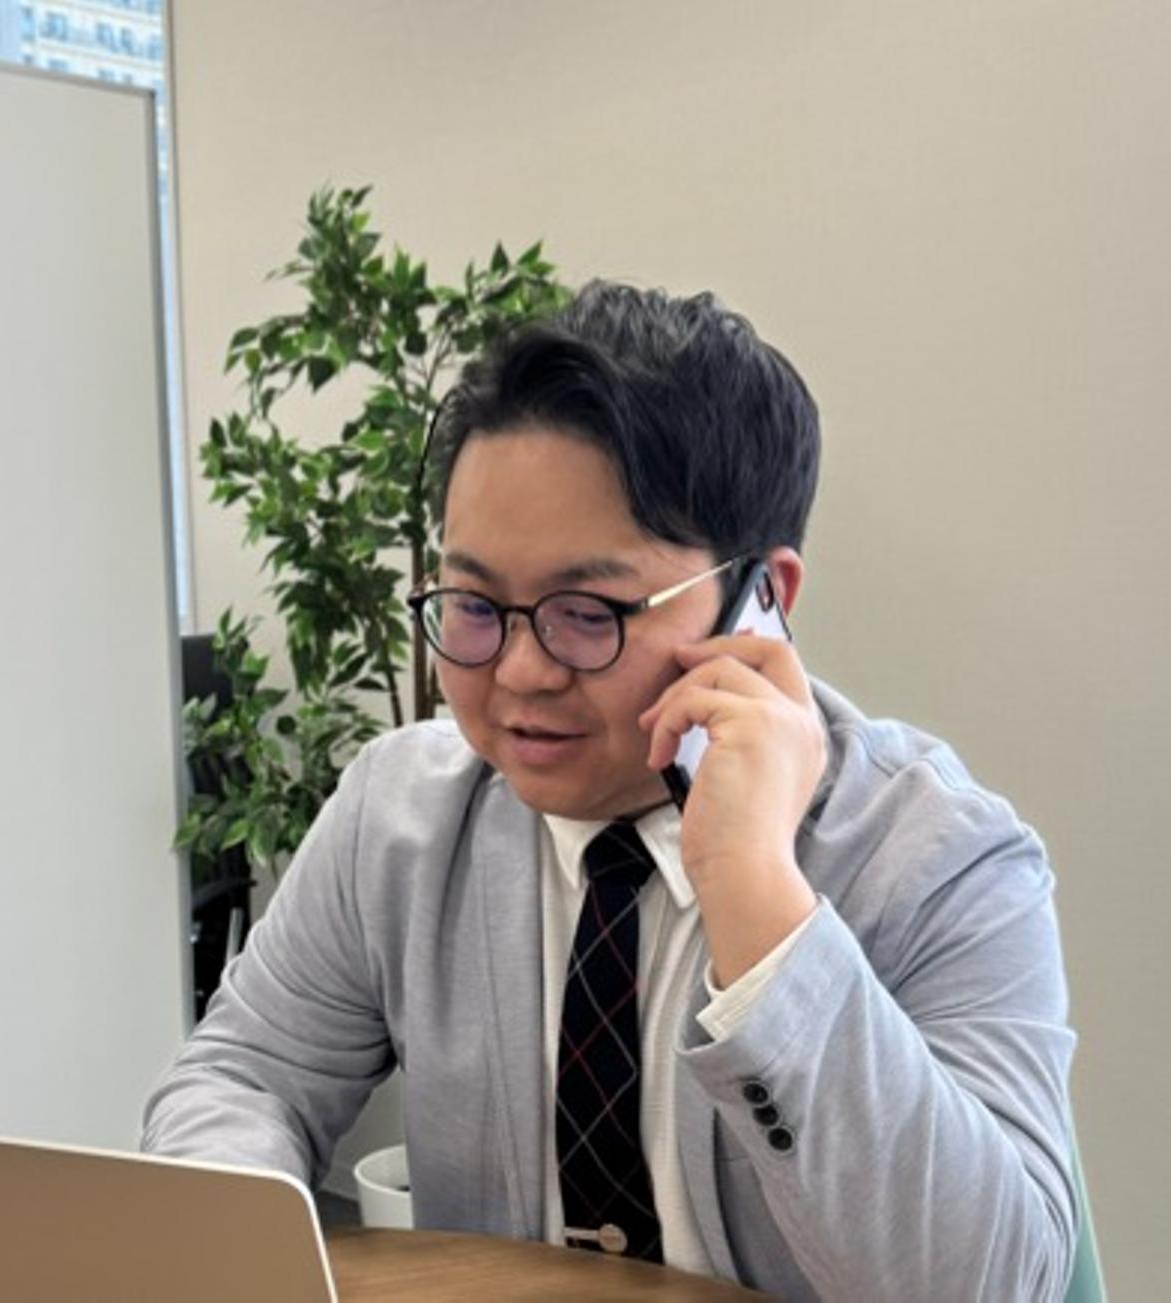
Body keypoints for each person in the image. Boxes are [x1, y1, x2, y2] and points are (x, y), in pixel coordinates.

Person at [143, 282, 1077, 1301]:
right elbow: (243, 1075)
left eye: (588, 612)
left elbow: (1000, 1283)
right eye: (473, 604)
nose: (520, 671)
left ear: (762, 599)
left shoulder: (938, 857)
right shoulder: (402, 816)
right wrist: (238, 1251)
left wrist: (759, 903)